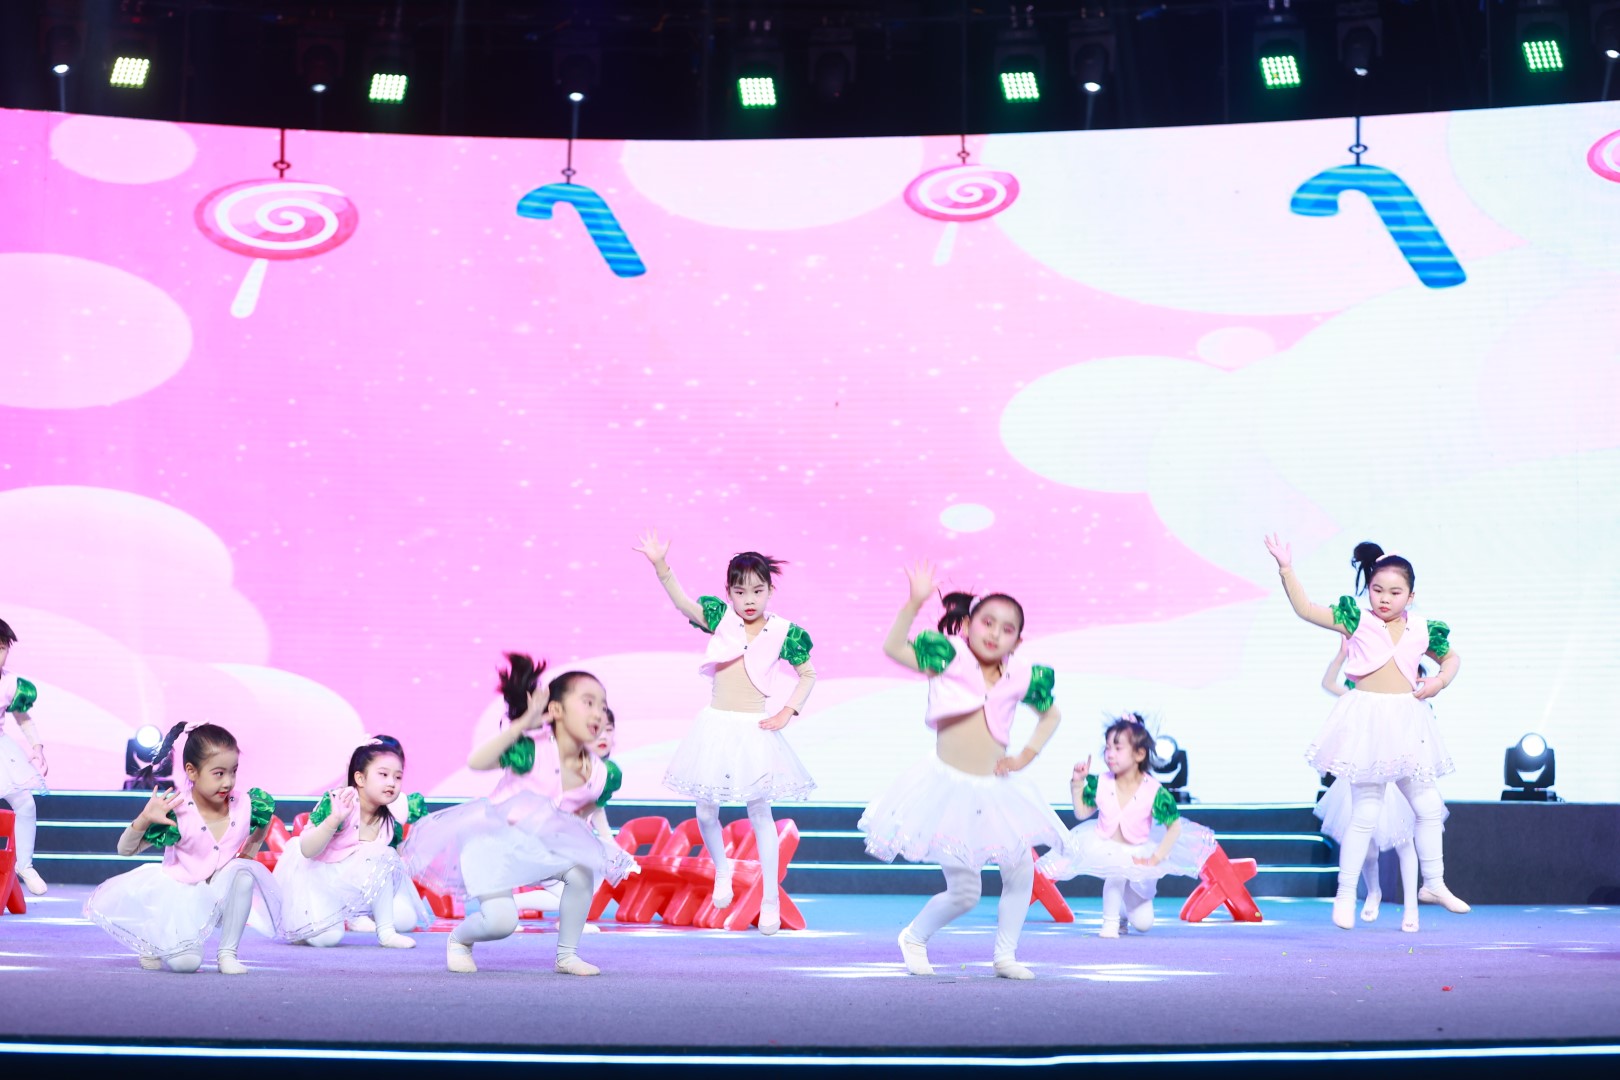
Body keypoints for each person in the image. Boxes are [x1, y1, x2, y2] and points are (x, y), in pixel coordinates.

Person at [859, 561, 1067, 980]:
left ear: (1018, 640)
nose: (995, 633)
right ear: (969, 624)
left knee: (1020, 870)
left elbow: (1051, 715)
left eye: (1007, 629)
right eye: (987, 622)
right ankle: (914, 937)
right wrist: (914, 603)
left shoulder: (1021, 675)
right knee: (966, 892)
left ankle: (1005, 956)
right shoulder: (948, 657)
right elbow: (894, 648)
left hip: (996, 790)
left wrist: (1024, 756)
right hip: (947, 790)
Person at [1264, 535, 1469, 930]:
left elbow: (1452, 657)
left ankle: (1434, 883)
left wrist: (1440, 681)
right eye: (1377, 589)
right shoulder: (1357, 619)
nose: (1384, 598)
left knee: (1428, 806)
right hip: (1368, 722)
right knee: (1366, 813)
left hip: (1407, 722)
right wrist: (1286, 568)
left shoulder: (1421, 628)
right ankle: (1345, 894)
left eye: (1395, 592)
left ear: (1411, 595)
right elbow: (1306, 609)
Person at [634, 531, 816, 934]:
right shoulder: (722, 619)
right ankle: (721, 870)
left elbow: (808, 674)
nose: (749, 599)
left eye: (757, 590)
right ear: (729, 593)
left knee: (760, 813)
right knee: (705, 811)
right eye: (740, 591)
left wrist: (788, 711)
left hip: (754, 728)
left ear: (770, 591)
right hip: (716, 726)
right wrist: (661, 565)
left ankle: (769, 899)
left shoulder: (784, 632)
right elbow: (683, 603)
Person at [403, 657, 634, 975]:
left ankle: (567, 956)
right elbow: (477, 762)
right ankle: (459, 940)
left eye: (603, 705)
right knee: (501, 923)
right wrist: (522, 725)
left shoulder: (603, 772)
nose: (598, 712)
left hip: (544, 847)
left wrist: (605, 845)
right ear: (556, 710)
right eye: (588, 702)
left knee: (581, 875)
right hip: (493, 843)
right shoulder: (531, 748)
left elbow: (585, 811)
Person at [84, 723, 280, 973]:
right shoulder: (176, 810)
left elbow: (263, 824)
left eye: (233, 771)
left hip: (218, 888)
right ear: (192, 771)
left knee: (243, 875)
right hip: (181, 895)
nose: (228, 782)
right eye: (219, 773)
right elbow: (125, 849)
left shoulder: (247, 803)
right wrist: (144, 818)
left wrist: (247, 854)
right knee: (186, 964)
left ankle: (228, 954)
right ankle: (154, 936)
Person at [1037, 714, 1217, 937]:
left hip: (1138, 852)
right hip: (1107, 846)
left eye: (1118, 748)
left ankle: (1124, 910)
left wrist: (1156, 858)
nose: (1110, 754)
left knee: (1143, 923)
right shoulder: (1100, 783)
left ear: (1139, 754)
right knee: (1116, 873)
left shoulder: (1154, 791)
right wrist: (1077, 783)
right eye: (1107, 747)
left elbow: (1174, 827)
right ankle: (1110, 922)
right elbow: (1082, 813)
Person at [272, 735, 428, 948]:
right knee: (327, 939)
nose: (391, 783)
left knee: (402, 910)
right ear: (360, 779)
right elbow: (307, 850)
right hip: (319, 880)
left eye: (398, 777)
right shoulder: (338, 801)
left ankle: (386, 933)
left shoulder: (391, 819)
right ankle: (309, 920)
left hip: (355, 886)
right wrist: (333, 820)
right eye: (383, 774)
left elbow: (388, 866)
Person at [0, 618, 47, 896]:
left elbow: (23, 718)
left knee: (25, 804)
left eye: (2, 648)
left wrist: (37, 747)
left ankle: (25, 865)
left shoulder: (10, 683)